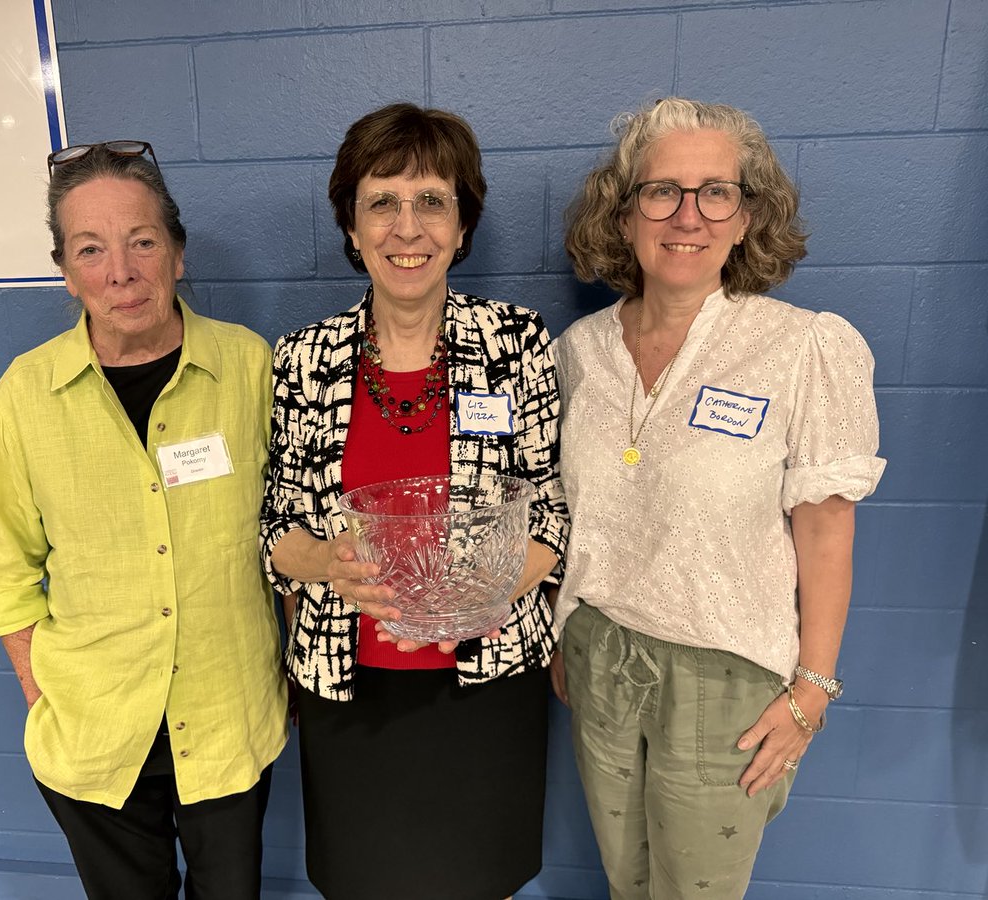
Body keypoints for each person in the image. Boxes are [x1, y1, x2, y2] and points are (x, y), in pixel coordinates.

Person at [553, 98, 886, 899]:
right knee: (625, 881)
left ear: (747, 218)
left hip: (725, 677)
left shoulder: (803, 348)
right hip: (597, 656)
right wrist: (566, 636)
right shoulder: (579, 353)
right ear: (624, 213)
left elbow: (827, 532)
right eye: (661, 191)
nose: (687, 215)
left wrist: (813, 690)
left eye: (716, 193)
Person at [260, 103, 568, 900]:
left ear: (462, 227)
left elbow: (552, 514)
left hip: (486, 681)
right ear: (351, 225)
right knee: (364, 880)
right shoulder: (302, 359)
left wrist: (476, 597)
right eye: (382, 202)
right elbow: (275, 526)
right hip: (349, 685)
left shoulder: (516, 343)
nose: (408, 227)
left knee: (479, 878)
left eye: (432, 201)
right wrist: (325, 561)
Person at [0, 140, 286, 900]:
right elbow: (7, 571)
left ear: (177, 253)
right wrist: (42, 692)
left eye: (142, 241)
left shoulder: (250, 368)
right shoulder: (24, 396)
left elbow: (289, 533)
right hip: (94, 732)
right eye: (91, 249)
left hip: (227, 721)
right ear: (66, 271)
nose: (121, 271)